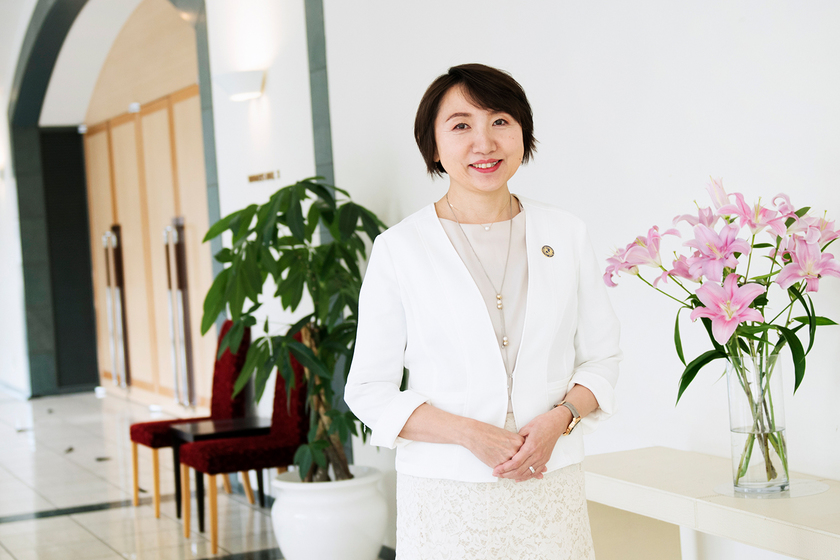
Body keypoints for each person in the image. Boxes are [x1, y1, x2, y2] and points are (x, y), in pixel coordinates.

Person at [344, 63, 622, 560]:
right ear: (433, 146)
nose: (484, 142)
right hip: (446, 496)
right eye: (461, 125)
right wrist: (471, 435)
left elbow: (602, 359)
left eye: (500, 121)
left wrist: (560, 421)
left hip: (549, 483)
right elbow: (368, 390)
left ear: (523, 134)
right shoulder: (400, 249)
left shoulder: (566, 234)